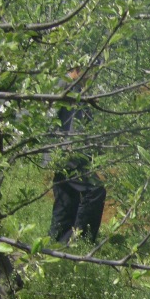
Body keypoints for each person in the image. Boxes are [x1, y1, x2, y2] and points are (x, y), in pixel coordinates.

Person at [49, 66, 106, 245]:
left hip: (71, 154)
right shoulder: (64, 84)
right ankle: (81, 242)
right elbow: (48, 115)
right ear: (78, 68)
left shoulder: (78, 88)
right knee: (95, 190)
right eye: (89, 71)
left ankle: (58, 243)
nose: (91, 76)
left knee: (66, 198)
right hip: (67, 155)